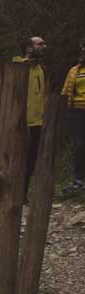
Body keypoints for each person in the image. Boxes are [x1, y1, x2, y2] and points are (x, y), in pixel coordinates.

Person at [14, 36, 48, 200]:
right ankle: (13, 193)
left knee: (30, 160)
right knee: (17, 159)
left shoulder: (41, 70)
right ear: (29, 48)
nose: (44, 46)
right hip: (19, 122)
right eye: (40, 44)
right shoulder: (17, 67)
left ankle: (23, 194)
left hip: (37, 122)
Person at [64, 42, 85, 194]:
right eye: (82, 52)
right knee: (78, 146)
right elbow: (66, 91)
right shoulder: (74, 70)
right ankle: (79, 180)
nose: (82, 54)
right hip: (77, 111)